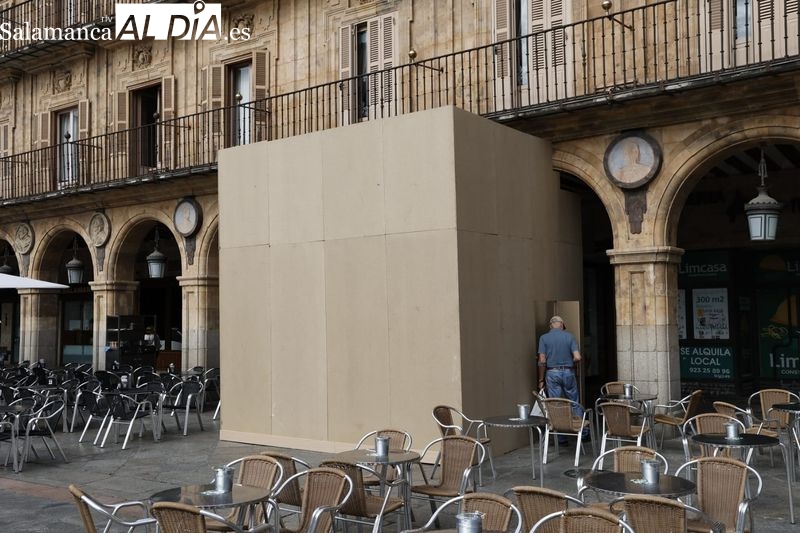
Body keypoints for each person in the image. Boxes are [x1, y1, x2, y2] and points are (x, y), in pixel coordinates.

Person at [537, 315, 589, 442]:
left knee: (556, 404)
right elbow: (578, 357)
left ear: (551, 325)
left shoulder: (544, 338)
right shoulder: (569, 336)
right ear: (562, 325)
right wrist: (568, 363)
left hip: (552, 373)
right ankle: (583, 433)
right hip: (568, 372)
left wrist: (541, 380)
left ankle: (561, 437)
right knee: (574, 402)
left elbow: (542, 360)